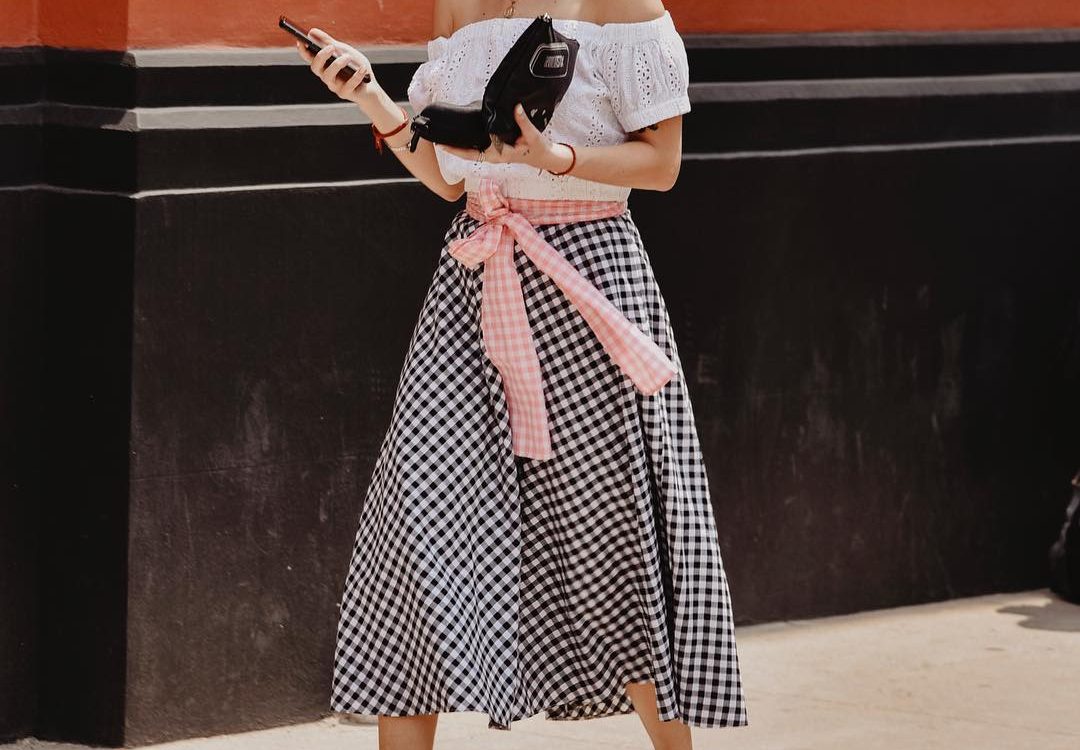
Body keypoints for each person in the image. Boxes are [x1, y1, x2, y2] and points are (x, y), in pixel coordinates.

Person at [296, 2, 749, 748]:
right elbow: (447, 179)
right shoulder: (457, 6)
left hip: (588, 277)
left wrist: (554, 158)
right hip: (473, 282)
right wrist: (371, 96)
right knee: (413, 529)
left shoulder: (620, 6)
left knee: (613, 534)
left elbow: (662, 165)